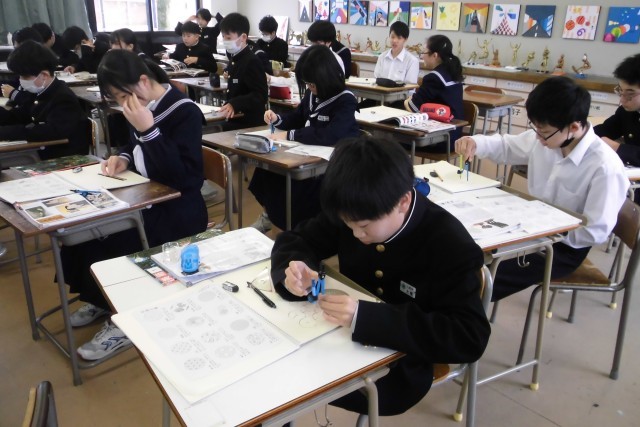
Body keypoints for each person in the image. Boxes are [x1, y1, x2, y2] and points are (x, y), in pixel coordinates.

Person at [270, 135, 490, 416]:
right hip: (338, 346)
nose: (355, 234)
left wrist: (366, 317)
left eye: (363, 227)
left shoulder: (448, 242)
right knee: (277, 378)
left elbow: (468, 337)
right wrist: (294, 269)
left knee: (285, 391)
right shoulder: (356, 208)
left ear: (403, 201)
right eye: (348, 225)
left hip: (400, 368)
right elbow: (296, 240)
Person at [62, 50, 208, 361]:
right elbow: (132, 144)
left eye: (121, 96)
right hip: (143, 195)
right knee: (84, 231)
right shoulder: (141, 105)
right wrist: (123, 157)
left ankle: (126, 319)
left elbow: (184, 178)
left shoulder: (184, 111)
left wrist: (148, 130)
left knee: (116, 241)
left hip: (177, 208)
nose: (121, 104)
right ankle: (101, 299)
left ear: (142, 81)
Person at [455, 76, 629, 301]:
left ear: (574, 127)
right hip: (527, 229)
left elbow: (594, 231)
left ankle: (460, 314)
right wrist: (475, 142)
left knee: (479, 280)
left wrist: (539, 234)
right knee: (460, 254)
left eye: (543, 132)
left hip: (562, 247)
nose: (538, 137)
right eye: (535, 128)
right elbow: (507, 146)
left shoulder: (605, 167)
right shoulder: (549, 136)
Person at [249, 44, 359, 233]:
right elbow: (298, 117)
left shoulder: (346, 100)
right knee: (267, 169)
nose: (309, 88)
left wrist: (290, 134)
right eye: (307, 84)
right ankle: (270, 215)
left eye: (312, 84)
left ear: (326, 78)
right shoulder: (312, 93)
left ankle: (298, 229)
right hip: (307, 153)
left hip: (332, 164)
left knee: (296, 185)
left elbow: (331, 134)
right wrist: (278, 119)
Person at [0, 40, 89, 159]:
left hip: (64, 156)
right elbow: (20, 115)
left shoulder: (63, 98)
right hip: (43, 150)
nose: (21, 80)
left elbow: (48, 132)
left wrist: (6, 132)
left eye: (24, 76)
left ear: (44, 75)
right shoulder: (39, 91)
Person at [404, 34, 463, 152]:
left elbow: (413, 106)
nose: (422, 56)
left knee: (392, 140)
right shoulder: (452, 73)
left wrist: (407, 100)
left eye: (424, 53)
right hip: (454, 136)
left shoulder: (434, 78)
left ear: (435, 55)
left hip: (441, 139)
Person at [218, 13, 268, 130]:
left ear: (243, 37)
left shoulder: (252, 61)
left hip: (248, 121)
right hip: (236, 117)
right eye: (223, 37)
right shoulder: (235, 58)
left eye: (228, 38)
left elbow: (260, 95)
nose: (225, 41)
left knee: (212, 130)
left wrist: (235, 104)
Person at [594, 53, 640, 166]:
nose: (622, 100)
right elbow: (605, 130)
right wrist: (581, 132)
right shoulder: (627, 112)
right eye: (620, 91)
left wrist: (616, 147)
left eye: (630, 94)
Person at [363, 21, 418, 109]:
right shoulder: (382, 57)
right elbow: (376, 79)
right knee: (357, 110)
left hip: (400, 101)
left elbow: (410, 89)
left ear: (405, 39)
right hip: (378, 98)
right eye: (392, 37)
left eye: (399, 38)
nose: (394, 41)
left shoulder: (412, 61)